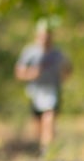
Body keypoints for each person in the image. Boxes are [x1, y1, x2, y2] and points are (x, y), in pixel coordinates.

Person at [15, 20, 72, 153]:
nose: (45, 39)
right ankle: (39, 149)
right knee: (38, 123)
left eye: (47, 36)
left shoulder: (58, 54)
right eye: (42, 36)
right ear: (37, 36)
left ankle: (49, 150)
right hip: (35, 92)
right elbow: (19, 72)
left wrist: (63, 77)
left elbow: (68, 69)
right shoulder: (30, 52)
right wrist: (31, 74)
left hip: (52, 90)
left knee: (49, 118)